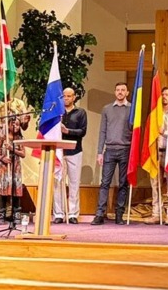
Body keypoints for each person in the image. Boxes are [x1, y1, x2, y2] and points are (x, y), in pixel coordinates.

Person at [0, 96, 30, 224]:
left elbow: (24, 126)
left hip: (14, 142)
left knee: (13, 180)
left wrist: (26, 121)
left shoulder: (19, 104)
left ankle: (11, 211)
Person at [92, 82, 132, 225]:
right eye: (118, 90)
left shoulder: (132, 109)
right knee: (105, 183)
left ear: (127, 93)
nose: (120, 92)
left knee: (123, 183)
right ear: (115, 92)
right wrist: (99, 152)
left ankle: (119, 214)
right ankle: (99, 214)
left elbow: (136, 131)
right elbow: (102, 131)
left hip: (125, 149)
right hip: (109, 150)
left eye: (123, 90)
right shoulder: (107, 109)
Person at [145, 87, 168, 225]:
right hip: (156, 152)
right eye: (163, 94)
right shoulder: (155, 113)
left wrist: (163, 132)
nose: (164, 96)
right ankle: (156, 214)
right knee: (155, 184)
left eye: (167, 94)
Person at [54, 87, 87, 224]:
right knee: (57, 182)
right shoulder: (57, 112)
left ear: (74, 97)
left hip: (74, 151)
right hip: (59, 151)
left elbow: (82, 131)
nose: (66, 98)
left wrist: (67, 131)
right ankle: (59, 214)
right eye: (64, 96)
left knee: (74, 183)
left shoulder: (80, 112)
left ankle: (73, 213)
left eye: (69, 96)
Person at [0, 117, 26, 219]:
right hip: (4, 166)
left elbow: (23, 154)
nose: (16, 127)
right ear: (8, 125)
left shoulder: (20, 139)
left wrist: (12, 149)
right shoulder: (3, 137)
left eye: (18, 125)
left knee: (15, 188)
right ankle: (2, 212)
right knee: (4, 187)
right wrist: (2, 158)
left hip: (15, 166)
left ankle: (16, 211)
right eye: (14, 124)